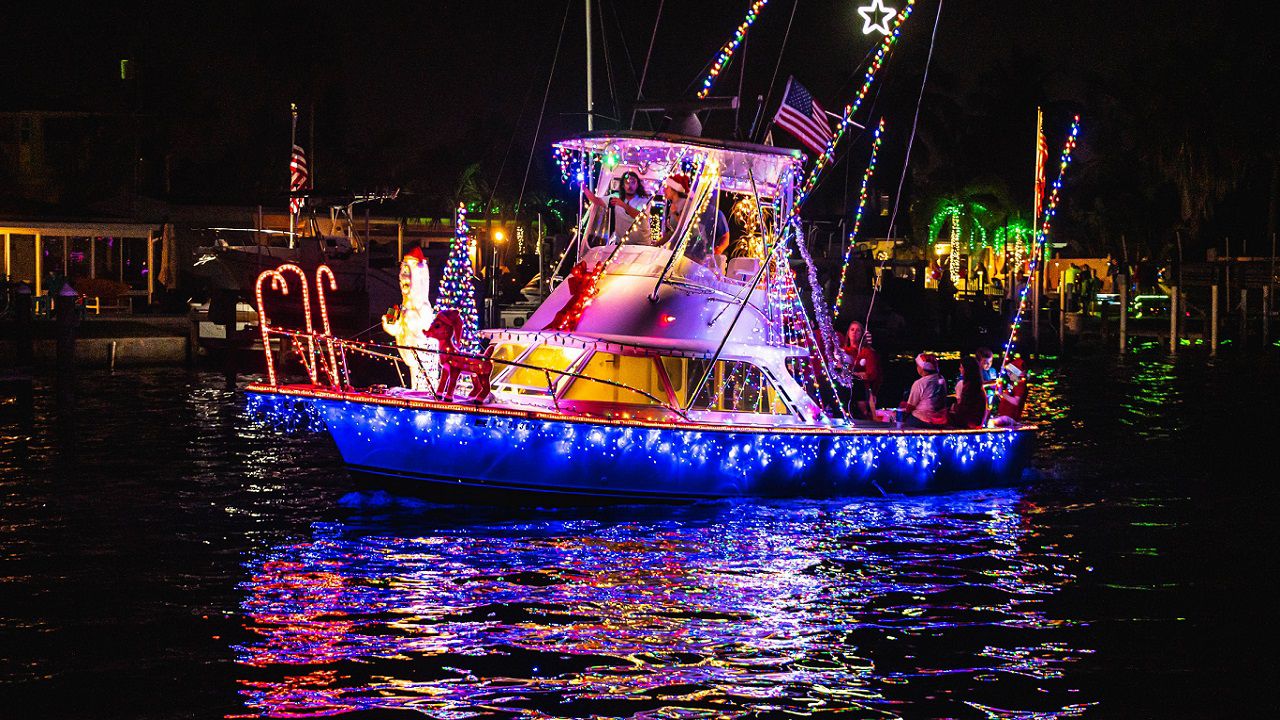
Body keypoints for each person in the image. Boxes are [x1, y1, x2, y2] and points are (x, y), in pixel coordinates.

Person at [661, 173, 729, 266]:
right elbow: (674, 231)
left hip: (692, 249)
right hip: (678, 248)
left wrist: (715, 253)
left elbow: (685, 227)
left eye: (666, 187)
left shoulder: (689, 206)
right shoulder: (673, 206)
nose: (663, 190)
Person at [585, 170, 651, 245]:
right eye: (627, 182)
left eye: (633, 182)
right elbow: (596, 201)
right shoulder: (616, 197)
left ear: (637, 185)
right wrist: (584, 187)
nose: (630, 185)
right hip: (621, 245)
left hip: (642, 244)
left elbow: (640, 216)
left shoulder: (644, 200)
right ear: (622, 185)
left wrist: (623, 205)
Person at [842, 319, 883, 420]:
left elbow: (872, 374)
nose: (854, 332)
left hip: (863, 392)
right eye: (852, 329)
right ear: (848, 332)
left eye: (858, 330)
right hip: (846, 391)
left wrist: (855, 374)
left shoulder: (867, 352)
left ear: (862, 334)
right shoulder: (843, 351)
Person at [900, 353, 949, 427]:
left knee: (901, 419)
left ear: (921, 368)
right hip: (941, 420)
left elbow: (910, 407)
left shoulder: (919, 383)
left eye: (917, 365)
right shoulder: (941, 378)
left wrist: (901, 409)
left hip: (923, 420)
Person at [949, 355, 987, 428]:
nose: (960, 369)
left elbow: (965, 408)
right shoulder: (977, 384)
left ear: (967, 369)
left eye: (961, 367)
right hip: (977, 420)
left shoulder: (969, 386)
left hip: (971, 421)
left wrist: (953, 407)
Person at [990, 356, 1028, 426]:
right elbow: (1005, 398)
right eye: (1008, 372)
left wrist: (1002, 393)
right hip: (1004, 416)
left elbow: (1016, 401)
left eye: (1010, 372)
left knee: (990, 423)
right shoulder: (1012, 384)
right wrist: (1000, 390)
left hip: (1010, 418)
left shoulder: (1020, 384)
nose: (1008, 374)